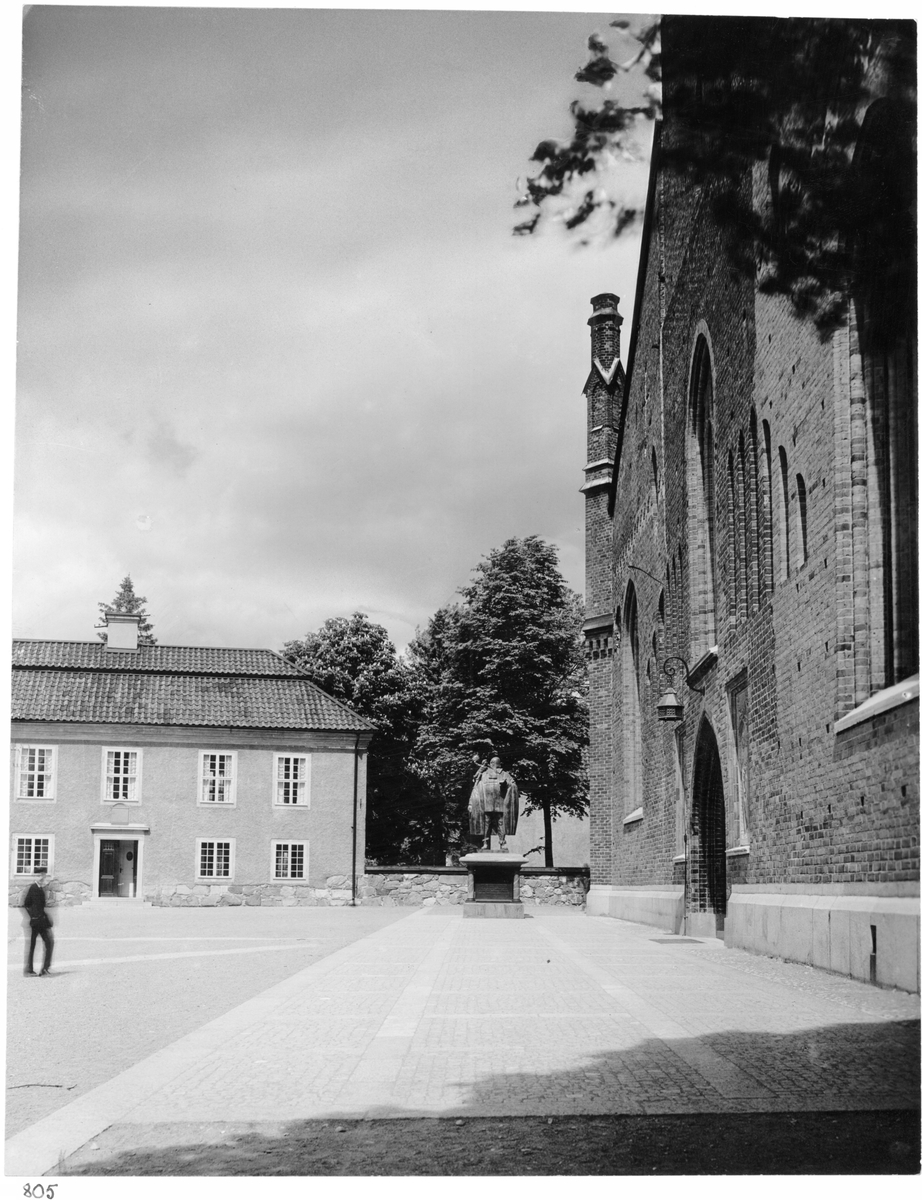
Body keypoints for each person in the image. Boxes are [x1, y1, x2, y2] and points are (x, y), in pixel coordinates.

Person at [468, 755, 519, 851]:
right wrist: (471, 803)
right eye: (491, 763)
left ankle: (502, 842)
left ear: (498, 764)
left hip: (500, 803)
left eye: (494, 763)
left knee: (500, 823)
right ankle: (485, 843)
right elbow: (476, 787)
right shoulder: (484, 774)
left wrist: (506, 784)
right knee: (487, 823)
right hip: (487, 803)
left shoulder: (504, 774)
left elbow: (513, 784)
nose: (492, 765)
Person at [22, 872, 54, 977]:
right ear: (35, 877)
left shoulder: (41, 889)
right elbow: (26, 904)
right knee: (42, 944)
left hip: (40, 921)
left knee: (46, 943)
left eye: (43, 876)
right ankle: (33, 970)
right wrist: (34, 916)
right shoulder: (33, 888)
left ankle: (37, 969)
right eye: (39, 876)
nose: (41, 878)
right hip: (37, 922)